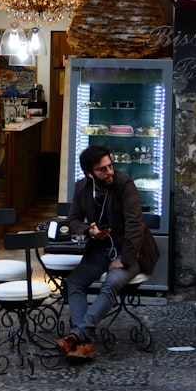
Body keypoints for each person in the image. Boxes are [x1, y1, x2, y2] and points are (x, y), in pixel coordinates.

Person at [57, 144, 159, 362]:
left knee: (111, 283)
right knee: (74, 282)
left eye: (110, 166)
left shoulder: (125, 185)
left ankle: (77, 335)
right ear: (89, 173)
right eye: (102, 169)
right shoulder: (82, 187)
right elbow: (73, 220)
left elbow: (135, 225)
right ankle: (83, 342)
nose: (110, 172)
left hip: (132, 250)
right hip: (100, 249)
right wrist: (89, 231)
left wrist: (124, 259)